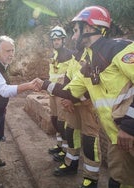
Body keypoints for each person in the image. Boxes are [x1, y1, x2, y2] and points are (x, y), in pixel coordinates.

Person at [38, 6, 134, 188]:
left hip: (127, 132)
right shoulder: (87, 63)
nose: (73, 37)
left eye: (75, 31)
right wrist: (43, 84)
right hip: (118, 138)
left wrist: (129, 126)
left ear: (89, 28)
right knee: (119, 181)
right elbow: (70, 92)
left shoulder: (120, 49)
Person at [0, 35, 38, 187]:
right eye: (7, 51)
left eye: (13, 50)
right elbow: (4, 90)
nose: (11, 54)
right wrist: (28, 85)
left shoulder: (3, 65)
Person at [51, 27, 102, 187]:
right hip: (72, 102)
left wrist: (71, 99)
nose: (73, 38)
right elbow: (68, 77)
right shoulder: (75, 56)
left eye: (75, 33)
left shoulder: (95, 57)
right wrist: (67, 96)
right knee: (71, 132)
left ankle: (91, 177)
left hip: (86, 105)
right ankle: (71, 164)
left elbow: (92, 85)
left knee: (89, 140)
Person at [46, 26, 73, 162]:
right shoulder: (53, 55)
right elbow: (53, 74)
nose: (56, 42)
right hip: (52, 92)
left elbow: (71, 75)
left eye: (58, 39)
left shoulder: (69, 55)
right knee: (55, 120)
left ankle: (66, 150)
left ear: (63, 40)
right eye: (54, 40)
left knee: (63, 123)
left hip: (62, 93)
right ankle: (60, 145)